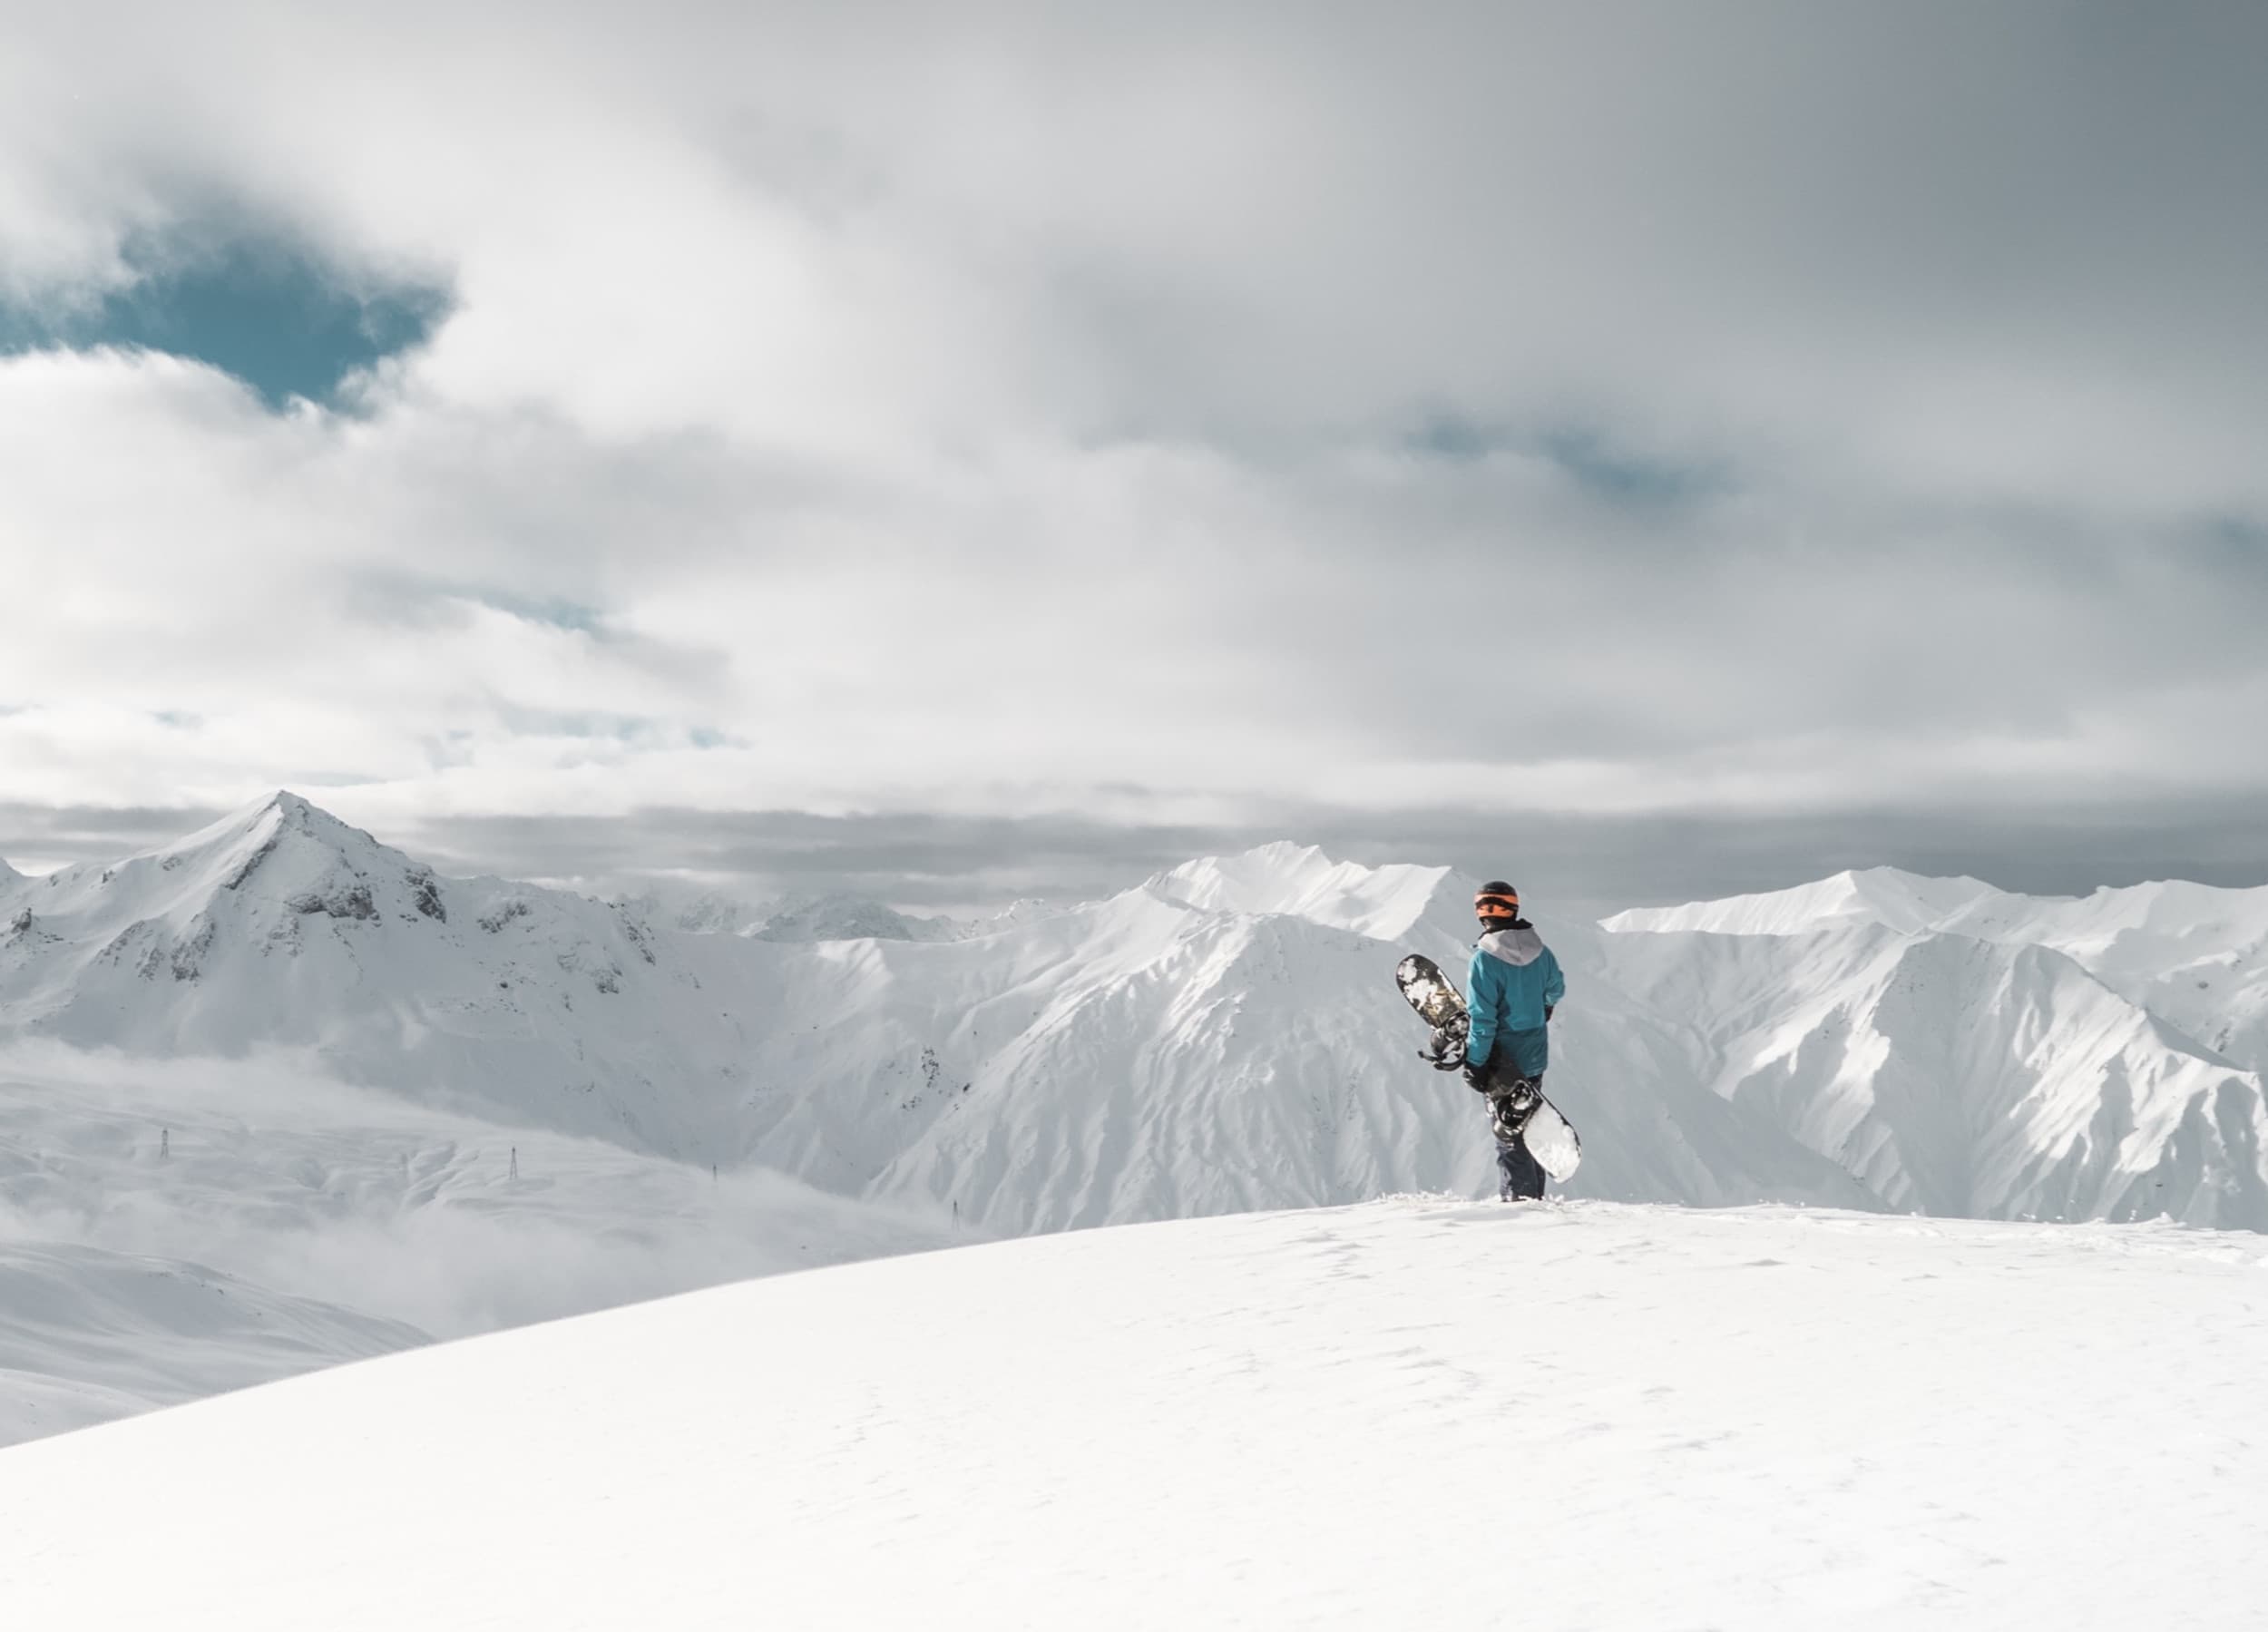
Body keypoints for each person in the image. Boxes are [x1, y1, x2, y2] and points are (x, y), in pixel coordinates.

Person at [1461, 881, 1565, 1201]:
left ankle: (1519, 1208)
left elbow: (1482, 1019)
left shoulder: (1484, 960)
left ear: (1481, 914)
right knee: (1531, 1125)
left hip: (1500, 1060)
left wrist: (1475, 1062)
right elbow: (1556, 989)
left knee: (1508, 1134)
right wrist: (1543, 1006)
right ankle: (1533, 1201)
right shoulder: (1541, 953)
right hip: (1534, 1054)